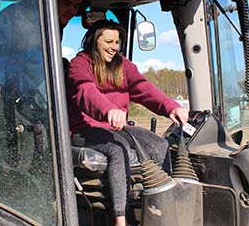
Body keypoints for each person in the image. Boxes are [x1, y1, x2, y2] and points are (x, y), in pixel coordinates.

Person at [66, 19, 189, 226]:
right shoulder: (80, 64)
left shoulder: (123, 65)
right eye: (108, 41)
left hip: (117, 126)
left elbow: (144, 88)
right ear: (94, 41)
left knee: (159, 145)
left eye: (117, 42)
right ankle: (121, 218)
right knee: (119, 148)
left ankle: (159, 202)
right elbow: (86, 92)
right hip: (84, 129)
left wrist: (171, 107)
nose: (114, 47)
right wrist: (108, 110)